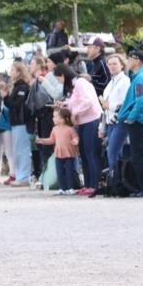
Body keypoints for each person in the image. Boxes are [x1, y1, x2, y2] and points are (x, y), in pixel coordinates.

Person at [55, 63, 103, 196]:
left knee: (91, 153)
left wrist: (75, 113)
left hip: (92, 120)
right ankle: (88, 184)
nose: (59, 82)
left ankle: (94, 185)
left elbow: (88, 102)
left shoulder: (80, 82)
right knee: (85, 154)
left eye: (58, 79)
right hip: (83, 122)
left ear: (63, 75)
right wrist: (64, 105)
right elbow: (75, 102)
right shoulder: (74, 85)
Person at [118, 49, 143, 197]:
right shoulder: (141, 76)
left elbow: (141, 102)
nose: (127, 61)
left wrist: (131, 118)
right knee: (139, 156)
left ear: (137, 61)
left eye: (130, 59)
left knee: (138, 157)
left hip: (139, 122)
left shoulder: (140, 79)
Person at [100, 53, 131, 187]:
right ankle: (117, 182)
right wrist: (102, 127)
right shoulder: (110, 83)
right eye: (109, 64)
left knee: (113, 153)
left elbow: (126, 103)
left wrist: (110, 106)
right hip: (110, 122)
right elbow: (105, 107)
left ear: (122, 65)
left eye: (115, 64)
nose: (112, 66)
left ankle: (116, 183)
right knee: (114, 153)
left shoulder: (125, 81)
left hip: (120, 122)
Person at [36, 107, 80, 195]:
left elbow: (75, 137)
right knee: (59, 172)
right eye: (53, 117)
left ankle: (70, 188)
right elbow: (52, 140)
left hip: (69, 154)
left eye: (56, 117)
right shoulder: (54, 129)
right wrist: (42, 140)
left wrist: (75, 141)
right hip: (58, 154)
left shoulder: (70, 129)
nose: (53, 119)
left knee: (69, 171)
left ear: (64, 119)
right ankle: (62, 188)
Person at [4, 62, 33, 187]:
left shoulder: (22, 87)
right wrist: (6, 98)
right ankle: (20, 176)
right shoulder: (16, 86)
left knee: (22, 151)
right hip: (16, 122)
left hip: (22, 122)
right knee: (17, 151)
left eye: (12, 70)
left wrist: (6, 98)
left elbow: (17, 104)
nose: (10, 72)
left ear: (19, 72)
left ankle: (24, 178)